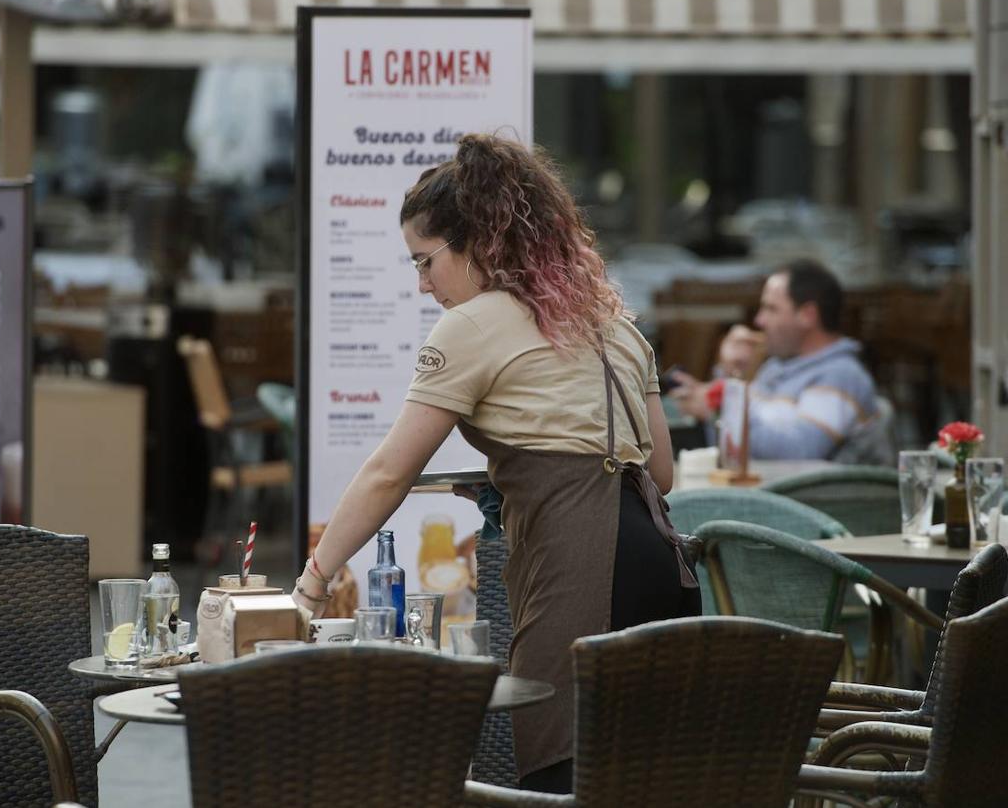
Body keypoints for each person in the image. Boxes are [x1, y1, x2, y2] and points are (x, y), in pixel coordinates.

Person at [293, 134, 700, 794]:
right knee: (644, 782)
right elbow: (659, 474)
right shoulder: (614, 323)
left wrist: (312, 584)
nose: (423, 285)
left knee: (558, 776)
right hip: (665, 566)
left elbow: (388, 473)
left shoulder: (472, 326)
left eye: (427, 262)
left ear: (479, 243)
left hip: (580, 573)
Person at [670, 260, 881, 461]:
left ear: (807, 315)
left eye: (771, 309)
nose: (759, 320)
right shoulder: (775, 367)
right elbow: (736, 447)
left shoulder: (840, 375)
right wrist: (730, 374)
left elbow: (799, 451)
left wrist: (721, 405)